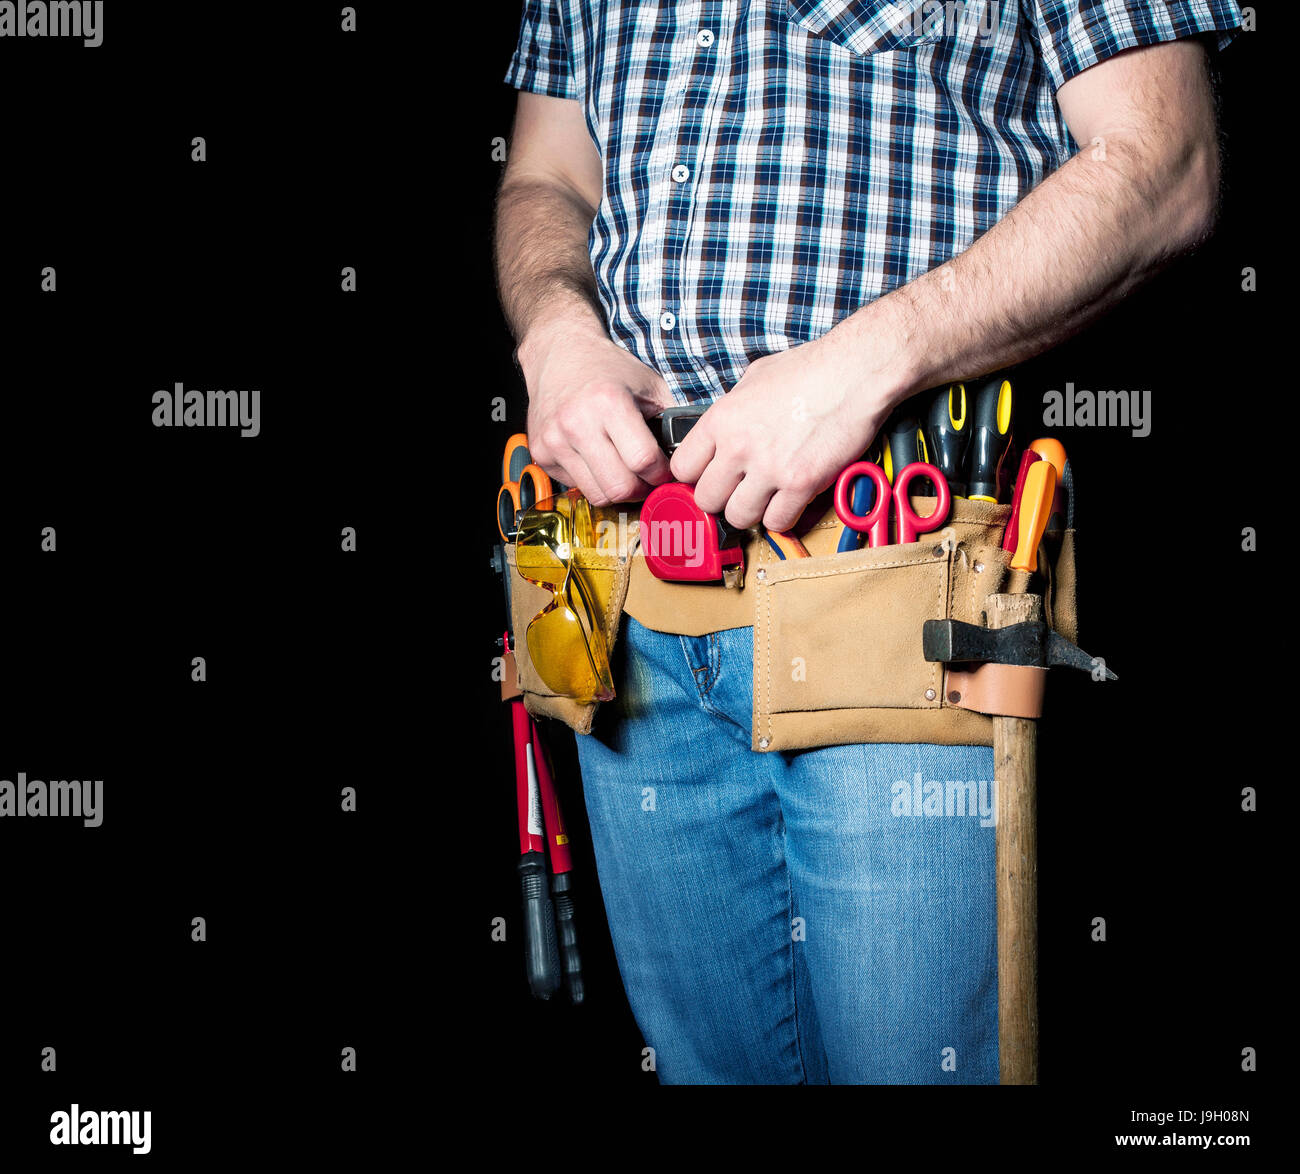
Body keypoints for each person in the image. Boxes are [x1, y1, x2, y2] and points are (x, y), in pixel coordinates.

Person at [494, 0, 1241, 1084]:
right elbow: (545, 175)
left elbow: (1165, 162)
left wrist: (869, 360)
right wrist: (556, 330)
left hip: (898, 574)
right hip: (625, 593)